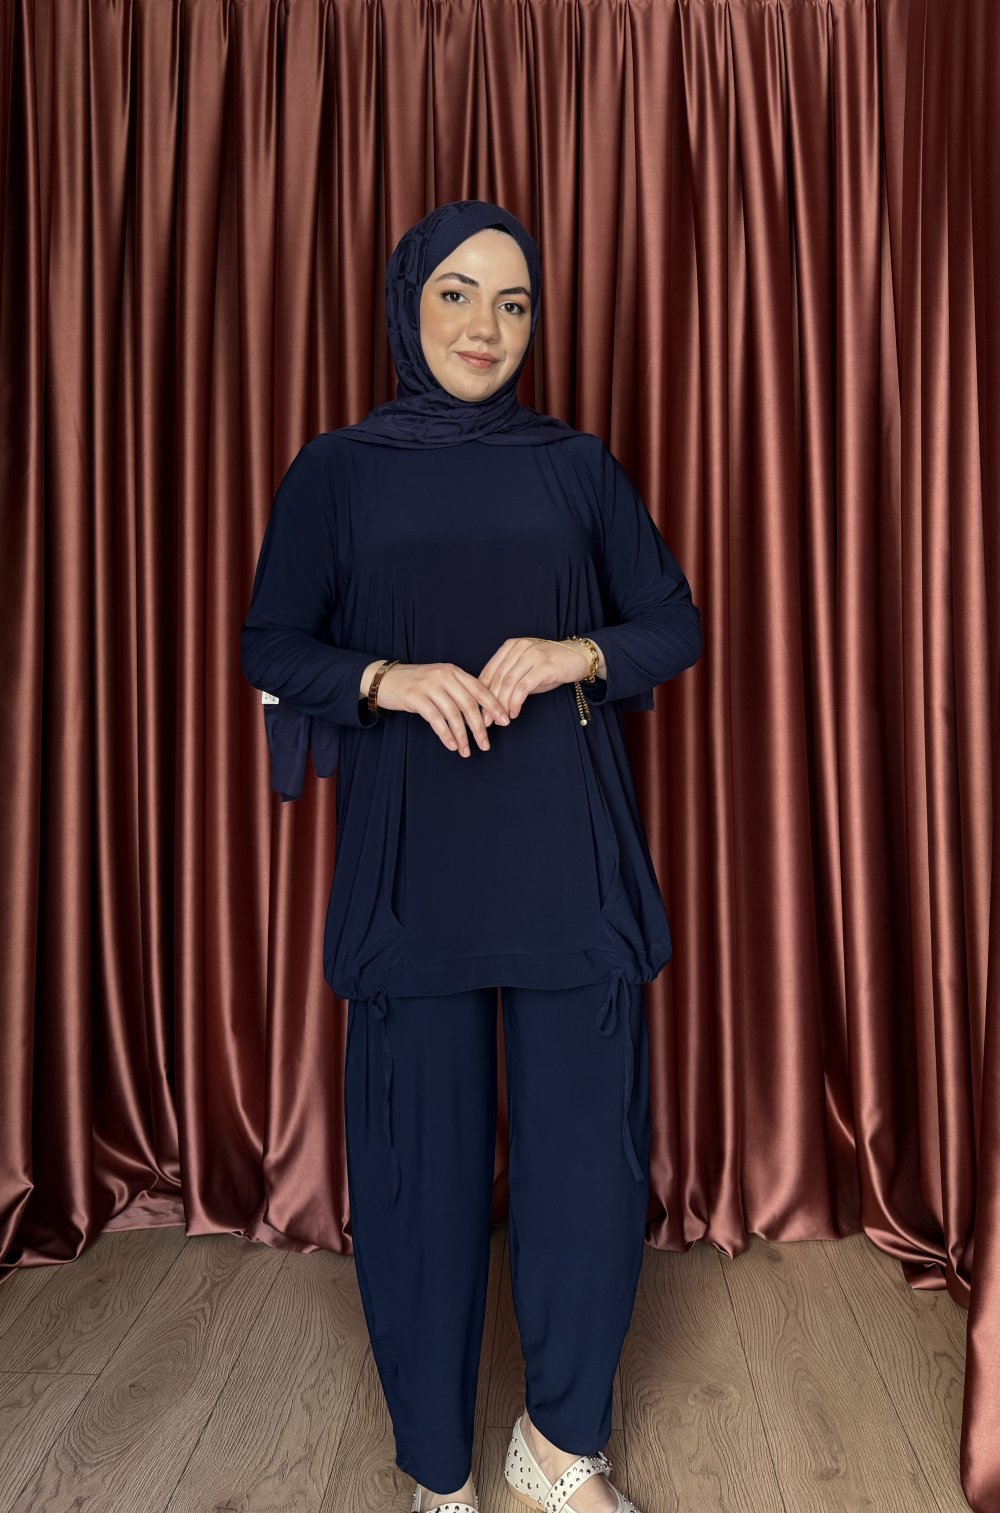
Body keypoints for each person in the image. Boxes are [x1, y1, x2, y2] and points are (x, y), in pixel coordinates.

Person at [241, 199, 703, 1513]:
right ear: (409, 305)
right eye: (456, 293)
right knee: (416, 1177)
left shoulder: (577, 467)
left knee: (588, 1167)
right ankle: (439, 1473)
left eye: (513, 301)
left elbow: (672, 624)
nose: (485, 326)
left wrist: (578, 652)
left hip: (569, 855)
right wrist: (382, 678)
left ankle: (558, 1449)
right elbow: (271, 644)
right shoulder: (339, 470)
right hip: (413, 867)